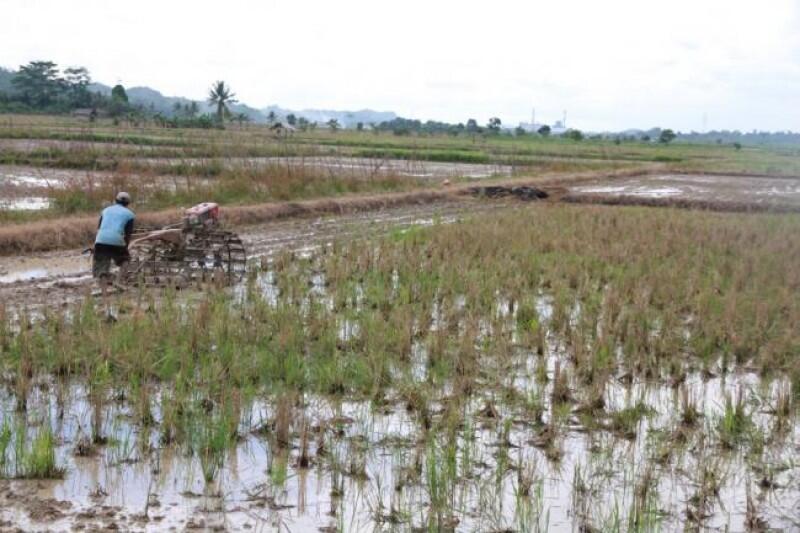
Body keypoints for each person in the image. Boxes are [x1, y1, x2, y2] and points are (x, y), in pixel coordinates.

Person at [93, 192, 135, 281]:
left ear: (115, 201)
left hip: (101, 240)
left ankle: (104, 293)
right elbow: (128, 234)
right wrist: (125, 247)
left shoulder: (105, 210)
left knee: (102, 267)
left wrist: (96, 244)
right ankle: (118, 282)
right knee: (125, 260)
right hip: (117, 240)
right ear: (128, 203)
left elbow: (99, 228)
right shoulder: (130, 214)